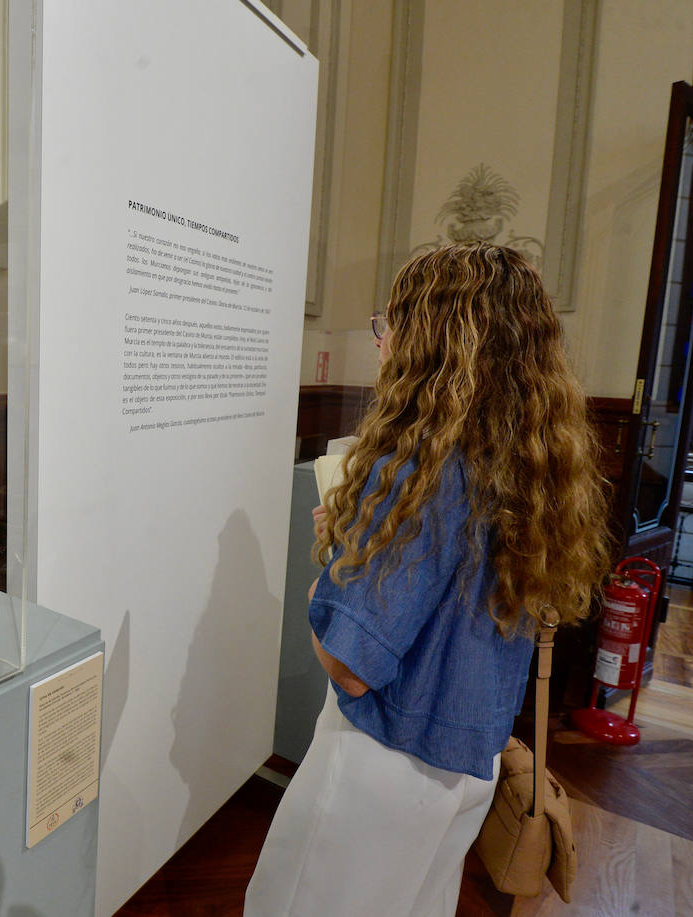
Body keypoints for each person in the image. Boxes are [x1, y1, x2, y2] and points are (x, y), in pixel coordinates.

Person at [244, 242, 610, 917]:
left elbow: (352, 664)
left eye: (391, 324)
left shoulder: (417, 468)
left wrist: (325, 579)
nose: (382, 345)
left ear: (433, 342)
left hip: (378, 767)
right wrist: (360, 541)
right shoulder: (530, 465)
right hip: (466, 764)